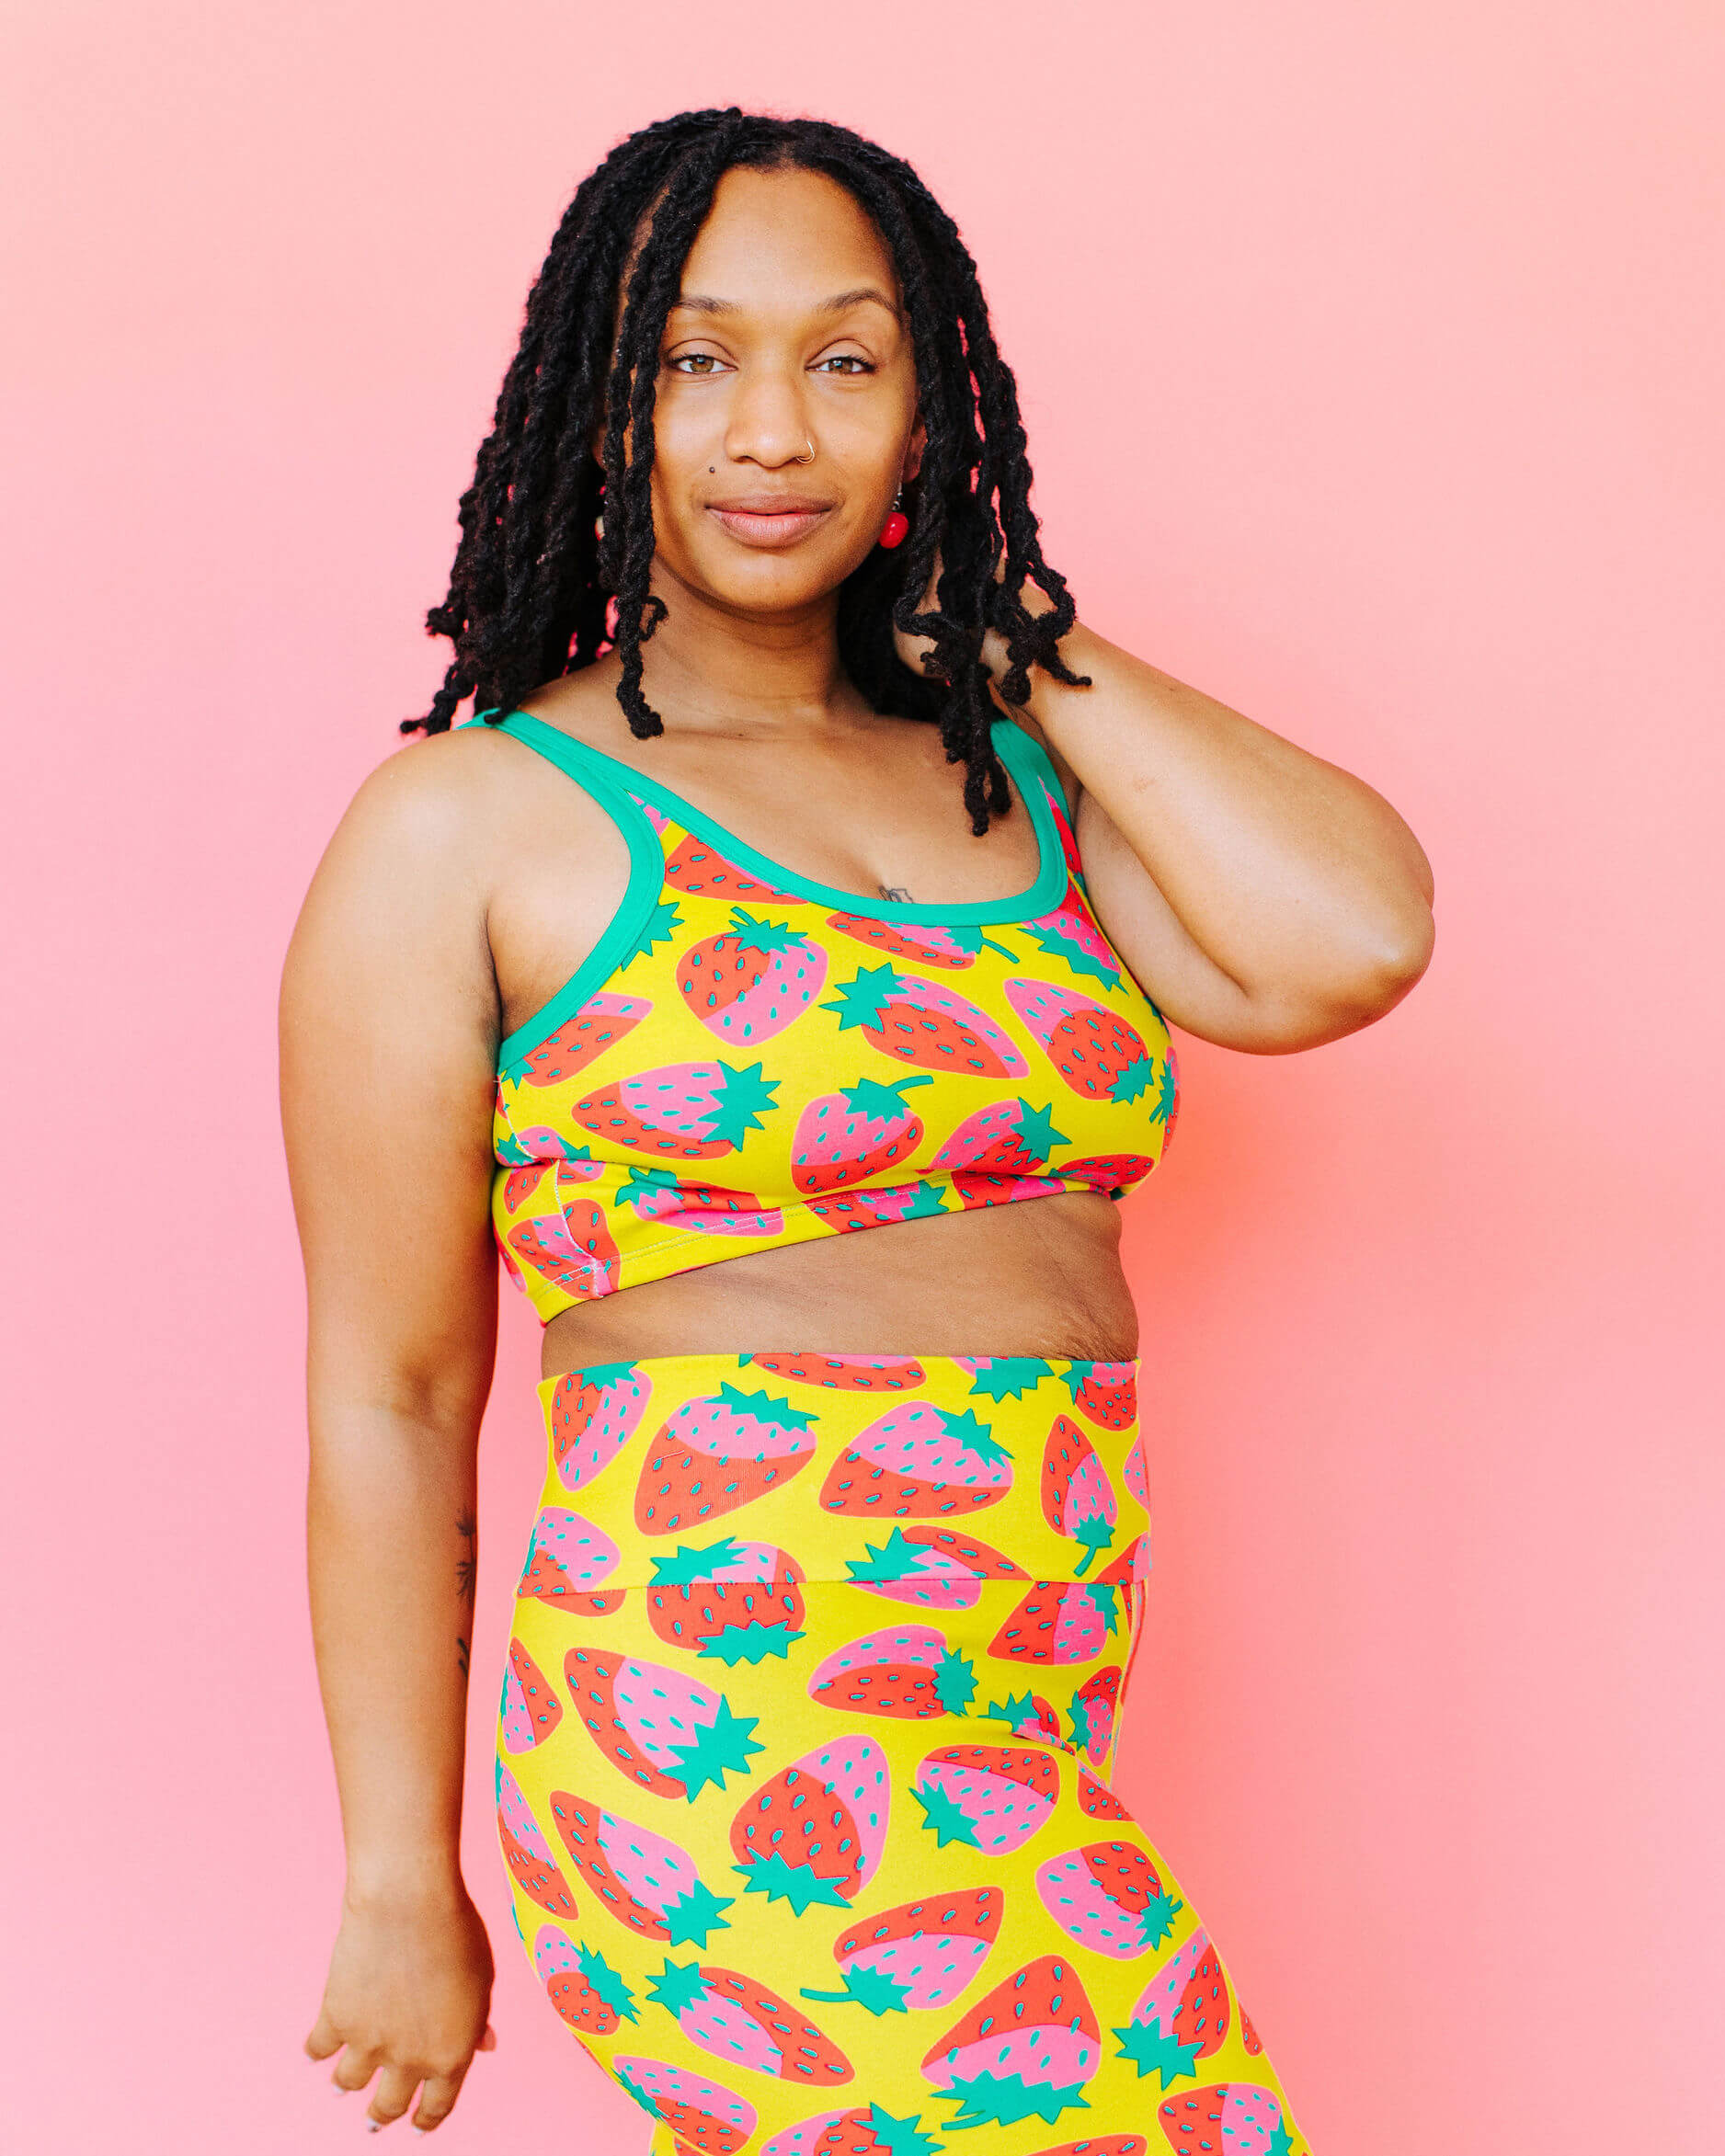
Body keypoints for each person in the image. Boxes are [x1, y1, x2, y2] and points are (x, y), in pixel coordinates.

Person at [281, 108, 1433, 2150]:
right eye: (693, 358)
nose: (770, 432)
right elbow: (389, 1390)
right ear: (601, 398)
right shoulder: (467, 823)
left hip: (1022, 1704)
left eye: (845, 357)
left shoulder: (1018, 786)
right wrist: (400, 1877)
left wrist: (1017, 636)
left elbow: (1342, 944)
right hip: (728, 1713)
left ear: (932, 409)